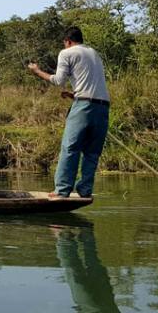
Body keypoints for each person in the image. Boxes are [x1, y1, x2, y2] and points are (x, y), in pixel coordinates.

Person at [28, 26, 110, 198]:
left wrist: (37, 71)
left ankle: (62, 190)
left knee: (70, 147)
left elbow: (58, 81)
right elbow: (90, 85)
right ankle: (85, 190)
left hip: (84, 107)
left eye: (64, 43)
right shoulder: (94, 53)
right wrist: (74, 95)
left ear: (68, 41)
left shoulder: (67, 53)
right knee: (92, 152)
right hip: (102, 107)